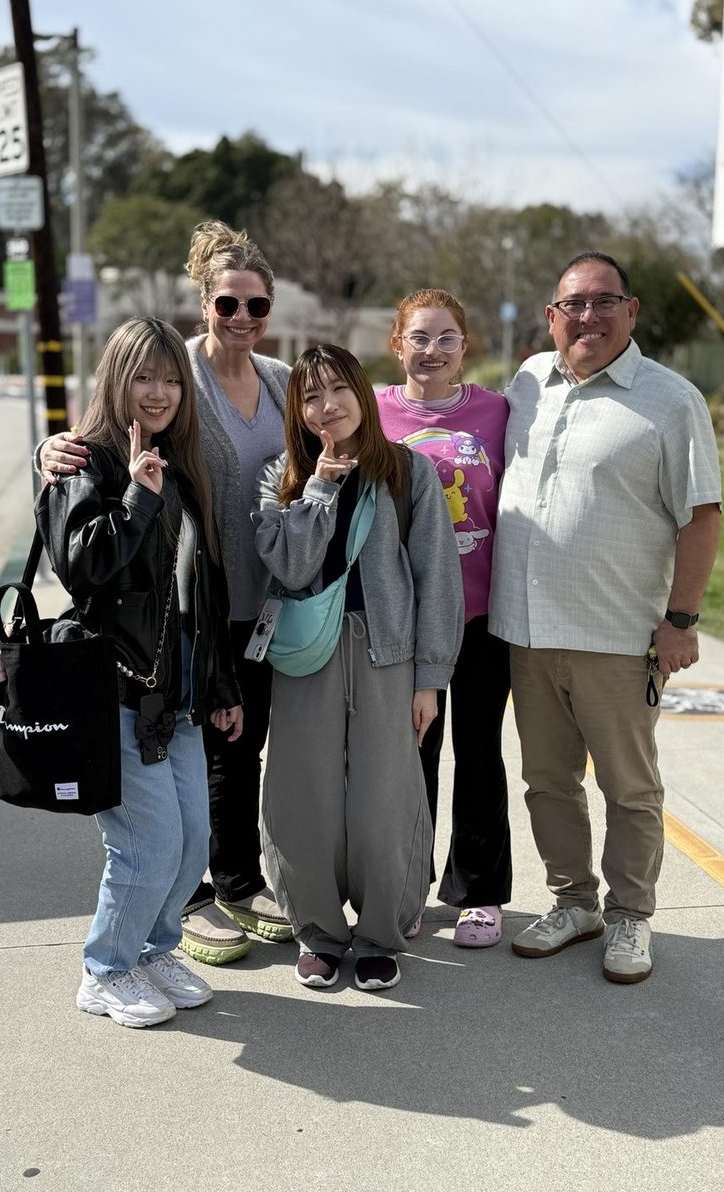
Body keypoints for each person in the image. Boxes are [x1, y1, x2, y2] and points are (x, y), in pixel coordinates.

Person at [39, 222, 293, 965]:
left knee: (236, 751)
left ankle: (229, 884)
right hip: (159, 634)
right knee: (184, 786)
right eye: (227, 305)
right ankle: (167, 915)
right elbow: (96, 454)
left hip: (253, 608)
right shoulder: (168, 373)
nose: (242, 319)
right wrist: (46, 451)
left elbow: (345, 418)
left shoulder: (280, 380)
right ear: (203, 305)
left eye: (257, 306)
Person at [489, 251, 722, 984]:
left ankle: (629, 917)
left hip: (618, 638)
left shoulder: (670, 399)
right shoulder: (528, 379)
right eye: (571, 305)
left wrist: (680, 619)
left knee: (629, 788)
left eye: (601, 301)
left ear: (632, 310)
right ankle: (573, 903)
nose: (585, 317)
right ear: (552, 316)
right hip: (526, 632)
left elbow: (703, 517)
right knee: (546, 781)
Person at [36, 316, 243, 1027]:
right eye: (142, 377)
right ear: (115, 380)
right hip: (115, 690)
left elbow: (199, 594)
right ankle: (105, 969)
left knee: (190, 846)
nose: (157, 393)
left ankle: (153, 948)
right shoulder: (82, 461)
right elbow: (86, 566)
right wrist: (136, 495)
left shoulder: (179, 464)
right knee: (145, 843)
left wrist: (216, 686)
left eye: (169, 380)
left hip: (176, 695)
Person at [253, 343, 463, 992]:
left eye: (337, 389)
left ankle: (380, 934)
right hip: (305, 659)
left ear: (362, 394)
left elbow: (437, 579)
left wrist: (430, 679)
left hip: (387, 655)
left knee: (385, 804)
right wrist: (319, 488)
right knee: (303, 801)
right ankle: (318, 933)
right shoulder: (279, 476)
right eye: (310, 396)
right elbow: (287, 566)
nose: (326, 406)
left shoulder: (407, 472)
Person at [378, 288, 511, 947]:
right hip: (406, 618)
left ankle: (479, 893)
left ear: (466, 347)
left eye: (446, 338)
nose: (432, 351)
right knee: (412, 756)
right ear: (396, 344)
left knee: (480, 752)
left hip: (483, 615)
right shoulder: (372, 413)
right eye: (419, 337)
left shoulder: (496, 413)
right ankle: (406, 886)